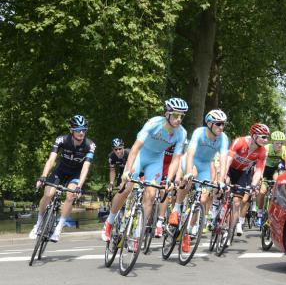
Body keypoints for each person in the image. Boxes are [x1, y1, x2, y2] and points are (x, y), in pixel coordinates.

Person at [102, 98, 188, 243]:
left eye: (181, 116)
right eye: (175, 115)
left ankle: (137, 234)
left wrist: (169, 180)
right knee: (126, 187)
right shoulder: (154, 123)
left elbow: (176, 159)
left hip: (156, 160)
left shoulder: (181, 133)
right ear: (167, 114)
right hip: (141, 154)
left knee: (151, 193)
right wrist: (126, 171)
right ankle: (109, 223)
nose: (179, 119)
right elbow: (135, 148)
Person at [169, 109, 229, 251]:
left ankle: (187, 232)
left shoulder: (223, 138)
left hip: (205, 166)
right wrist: (188, 172)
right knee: (191, 177)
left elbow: (223, 160)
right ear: (209, 123)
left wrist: (221, 181)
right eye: (219, 124)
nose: (221, 127)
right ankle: (176, 209)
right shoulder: (199, 132)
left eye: (223, 124)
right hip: (191, 161)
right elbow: (190, 154)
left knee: (203, 199)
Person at [30, 115, 96, 242]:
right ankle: (38, 224)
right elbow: (51, 160)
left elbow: (85, 168)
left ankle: (59, 228)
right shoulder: (62, 140)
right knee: (48, 194)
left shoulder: (90, 145)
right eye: (77, 129)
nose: (81, 132)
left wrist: (79, 187)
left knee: (71, 196)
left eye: (83, 129)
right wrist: (43, 176)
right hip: (60, 171)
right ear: (71, 130)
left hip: (75, 174)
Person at [224, 123, 269, 236]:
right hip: (230, 168)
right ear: (254, 136)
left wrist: (254, 185)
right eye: (263, 137)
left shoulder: (262, 151)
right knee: (223, 186)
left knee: (236, 202)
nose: (266, 139)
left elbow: (258, 170)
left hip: (242, 173)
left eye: (267, 137)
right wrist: (224, 176)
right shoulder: (240, 141)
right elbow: (228, 160)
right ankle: (217, 212)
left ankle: (230, 229)